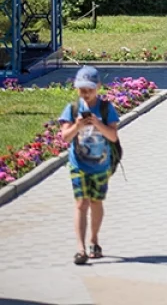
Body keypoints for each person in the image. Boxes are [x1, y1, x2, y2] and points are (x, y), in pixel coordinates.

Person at [57, 66, 121, 266]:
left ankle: (94, 240)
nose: (85, 93)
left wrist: (97, 123)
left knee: (96, 203)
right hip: (79, 165)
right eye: (82, 89)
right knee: (81, 204)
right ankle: (80, 248)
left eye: (89, 89)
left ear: (98, 87)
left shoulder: (105, 108)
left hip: (101, 165)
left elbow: (112, 135)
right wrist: (78, 125)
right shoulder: (73, 109)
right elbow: (65, 137)